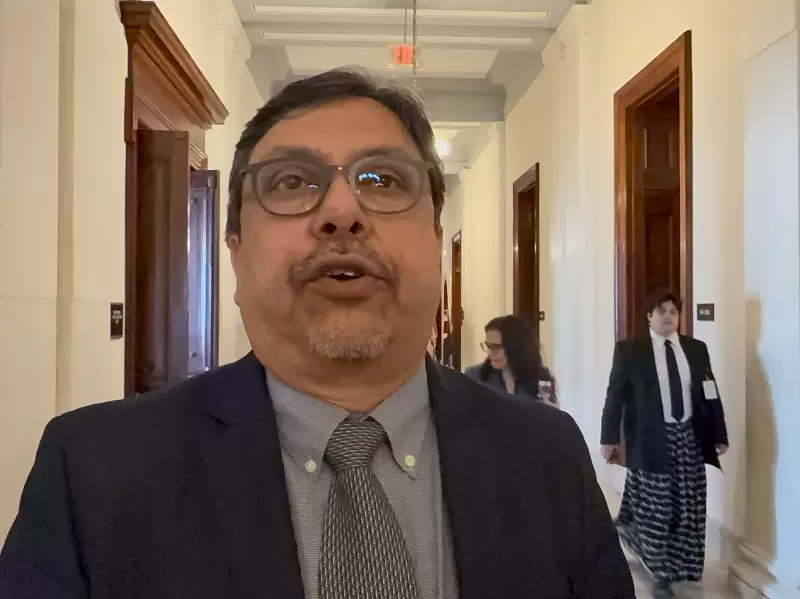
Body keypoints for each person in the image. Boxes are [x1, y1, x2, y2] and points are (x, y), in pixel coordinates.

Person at [0, 69, 634, 599]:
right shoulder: (94, 473)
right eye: (291, 182)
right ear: (235, 250)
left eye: (383, 181)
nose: (341, 212)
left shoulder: (548, 456)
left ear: (437, 244)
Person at [600, 289, 728, 599]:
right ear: (649, 316)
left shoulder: (696, 350)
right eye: (662, 311)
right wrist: (608, 438)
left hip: (689, 437)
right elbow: (615, 396)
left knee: (688, 503)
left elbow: (709, 391)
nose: (669, 317)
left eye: (674, 311)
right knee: (658, 506)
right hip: (650, 440)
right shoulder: (631, 351)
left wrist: (719, 433)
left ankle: (681, 566)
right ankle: (660, 573)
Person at [466, 315, 558, 406]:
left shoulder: (540, 377)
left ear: (515, 347)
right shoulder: (476, 376)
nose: (489, 353)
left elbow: (552, 413)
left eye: (496, 347)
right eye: (488, 346)